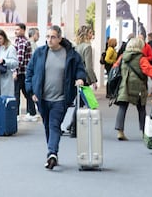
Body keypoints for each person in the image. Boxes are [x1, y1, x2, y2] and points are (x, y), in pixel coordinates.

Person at [25, 25, 86, 169]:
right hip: (42, 98)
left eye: (53, 37)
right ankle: (52, 152)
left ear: (60, 38)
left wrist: (80, 78)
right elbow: (29, 73)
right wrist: (31, 92)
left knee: (54, 124)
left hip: (61, 98)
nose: (49, 40)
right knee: (47, 125)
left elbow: (79, 69)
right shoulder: (40, 53)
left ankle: (52, 153)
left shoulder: (70, 54)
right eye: (47, 37)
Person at [114, 37, 152, 141]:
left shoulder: (122, 57)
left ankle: (120, 131)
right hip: (139, 88)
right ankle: (144, 132)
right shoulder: (142, 58)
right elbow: (150, 71)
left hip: (124, 86)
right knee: (141, 109)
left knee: (122, 108)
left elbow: (115, 68)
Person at [68, 25, 99, 138]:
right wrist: (94, 80)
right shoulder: (87, 47)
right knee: (81, 104)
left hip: (75, 77)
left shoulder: (76, 47)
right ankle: (73, 128)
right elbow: (89, 67)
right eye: (91, 33)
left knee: (79, 102)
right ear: (87, 34)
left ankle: (71, 125)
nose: (92, 35)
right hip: (84, 77)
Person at [14, 23, 37, 122]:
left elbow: (20, 58)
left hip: (21, 72)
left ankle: (16, 114)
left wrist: (15, 71)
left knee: (17, 93)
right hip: (24, 72)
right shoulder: (19, 41)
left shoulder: (22, 42)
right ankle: (31, 112)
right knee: (27, 92)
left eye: (18, 29)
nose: (16, 31)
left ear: (23, 30)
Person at [0, 29, 18, 98]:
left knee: (5, 99)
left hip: (6, 78)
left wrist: (5, 61)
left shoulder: (11, 48)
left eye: (0, 38)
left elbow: (15, 63)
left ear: (4, 37)